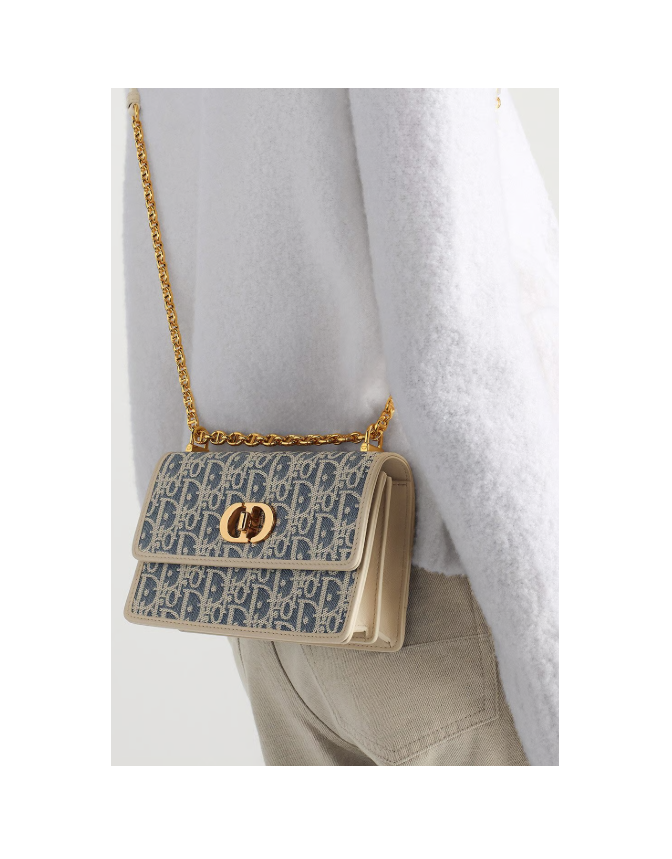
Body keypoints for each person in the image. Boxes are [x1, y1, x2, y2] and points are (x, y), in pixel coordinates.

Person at [124, 88, 558, 766]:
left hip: (267, 619)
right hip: (435, 595)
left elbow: (158, 258)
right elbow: (458, 339)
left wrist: (181, 511)